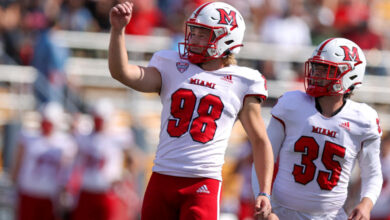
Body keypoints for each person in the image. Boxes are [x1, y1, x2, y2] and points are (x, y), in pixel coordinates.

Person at [108, 1, 274, 219]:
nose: (192, 39)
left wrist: (264, 191)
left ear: (227, 38)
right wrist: (118, 31)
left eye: (202, 34)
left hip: (203, 182)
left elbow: (260, 140)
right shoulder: (170, 64)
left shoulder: (242, 81)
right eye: (193, 32)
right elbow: (123, 73)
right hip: (161, 178)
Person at [252, 37, 383, 220]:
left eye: (326, 70)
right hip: (281, 212)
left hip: (331, 216)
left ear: (350, 75)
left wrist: (366, 204)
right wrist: (264, 200)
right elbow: (263, 155)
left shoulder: (363, 119)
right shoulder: (292, 104)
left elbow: (373, 174)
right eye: (317, 68)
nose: (317, 75)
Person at [71, 99, 140, 220]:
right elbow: (73, 160)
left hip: (108, 192)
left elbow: (134, 159)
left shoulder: (119, 136)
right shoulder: (84, 136)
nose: (97, 122)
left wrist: (126, 177)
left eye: (100, 119)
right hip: (86, 191)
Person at [11, 102, 77, 220]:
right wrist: (14, 184)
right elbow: (17, 164)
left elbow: (66, 171)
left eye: (49, 123)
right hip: (28, 192)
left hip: (50, 196)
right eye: (44, 122)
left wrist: (64, 194)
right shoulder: (28, 138)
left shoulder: (65, 143)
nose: (46, 126)